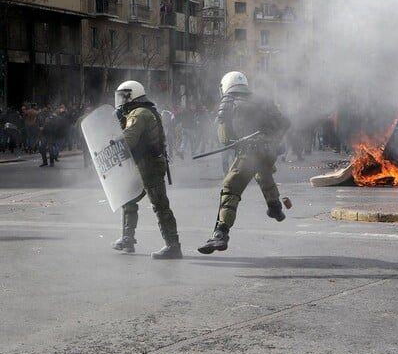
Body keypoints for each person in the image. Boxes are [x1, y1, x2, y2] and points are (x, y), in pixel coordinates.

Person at [198, 71, 290, 254]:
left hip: (250, 153)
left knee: (230, 187)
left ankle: (220, 234)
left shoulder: (229, 102)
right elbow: (285, 123)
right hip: (269, 151)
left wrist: (238, 140)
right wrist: (271, 139)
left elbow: (225, 138)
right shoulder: (263, 100)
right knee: (264, 175)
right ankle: (275, 208)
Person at [112, 80, 182, 259]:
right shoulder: (141, 111)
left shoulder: (139, 113)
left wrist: (112, 142)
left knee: (159, 204)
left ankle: (173, 246)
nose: (120, 100)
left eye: (124, 96)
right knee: (128, 198)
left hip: (149, 165)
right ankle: (128, 238)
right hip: (144, 164)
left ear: (133, 95)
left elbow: (129, 140)